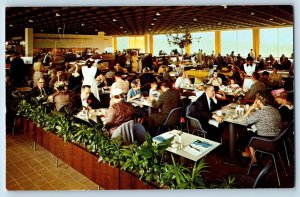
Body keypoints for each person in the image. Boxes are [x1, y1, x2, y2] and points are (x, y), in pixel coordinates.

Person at [242, 93, 282, 164]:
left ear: (259, 101)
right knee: (252, 129)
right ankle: (249, 151)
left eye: (256, 100)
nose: (255, 101)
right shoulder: (275, 109)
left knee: (247, 133)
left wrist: (251, 108)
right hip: (277, 139)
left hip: (265, 141)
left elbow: (244, 121)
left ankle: (253, 158)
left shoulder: (260, 113)